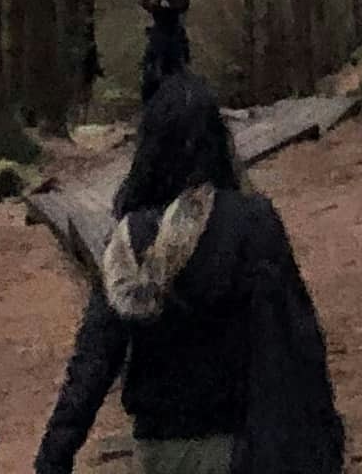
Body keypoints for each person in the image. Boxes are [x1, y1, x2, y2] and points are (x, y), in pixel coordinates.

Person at [33, 73, 345, 474]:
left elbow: (93, 362)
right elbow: (298, 338)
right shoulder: (254, 223)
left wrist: (53, 458)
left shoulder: (128, 243)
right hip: (244, 450)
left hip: (159, 453)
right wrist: (323, 440)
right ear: (219, 144)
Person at [138, 0, 191, 98]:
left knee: (178, 58)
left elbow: (185, 4)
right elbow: (144, 2)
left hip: (171, 37)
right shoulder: (159, 5)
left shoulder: (172, 5)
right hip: (163, 36)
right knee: (152, 59)